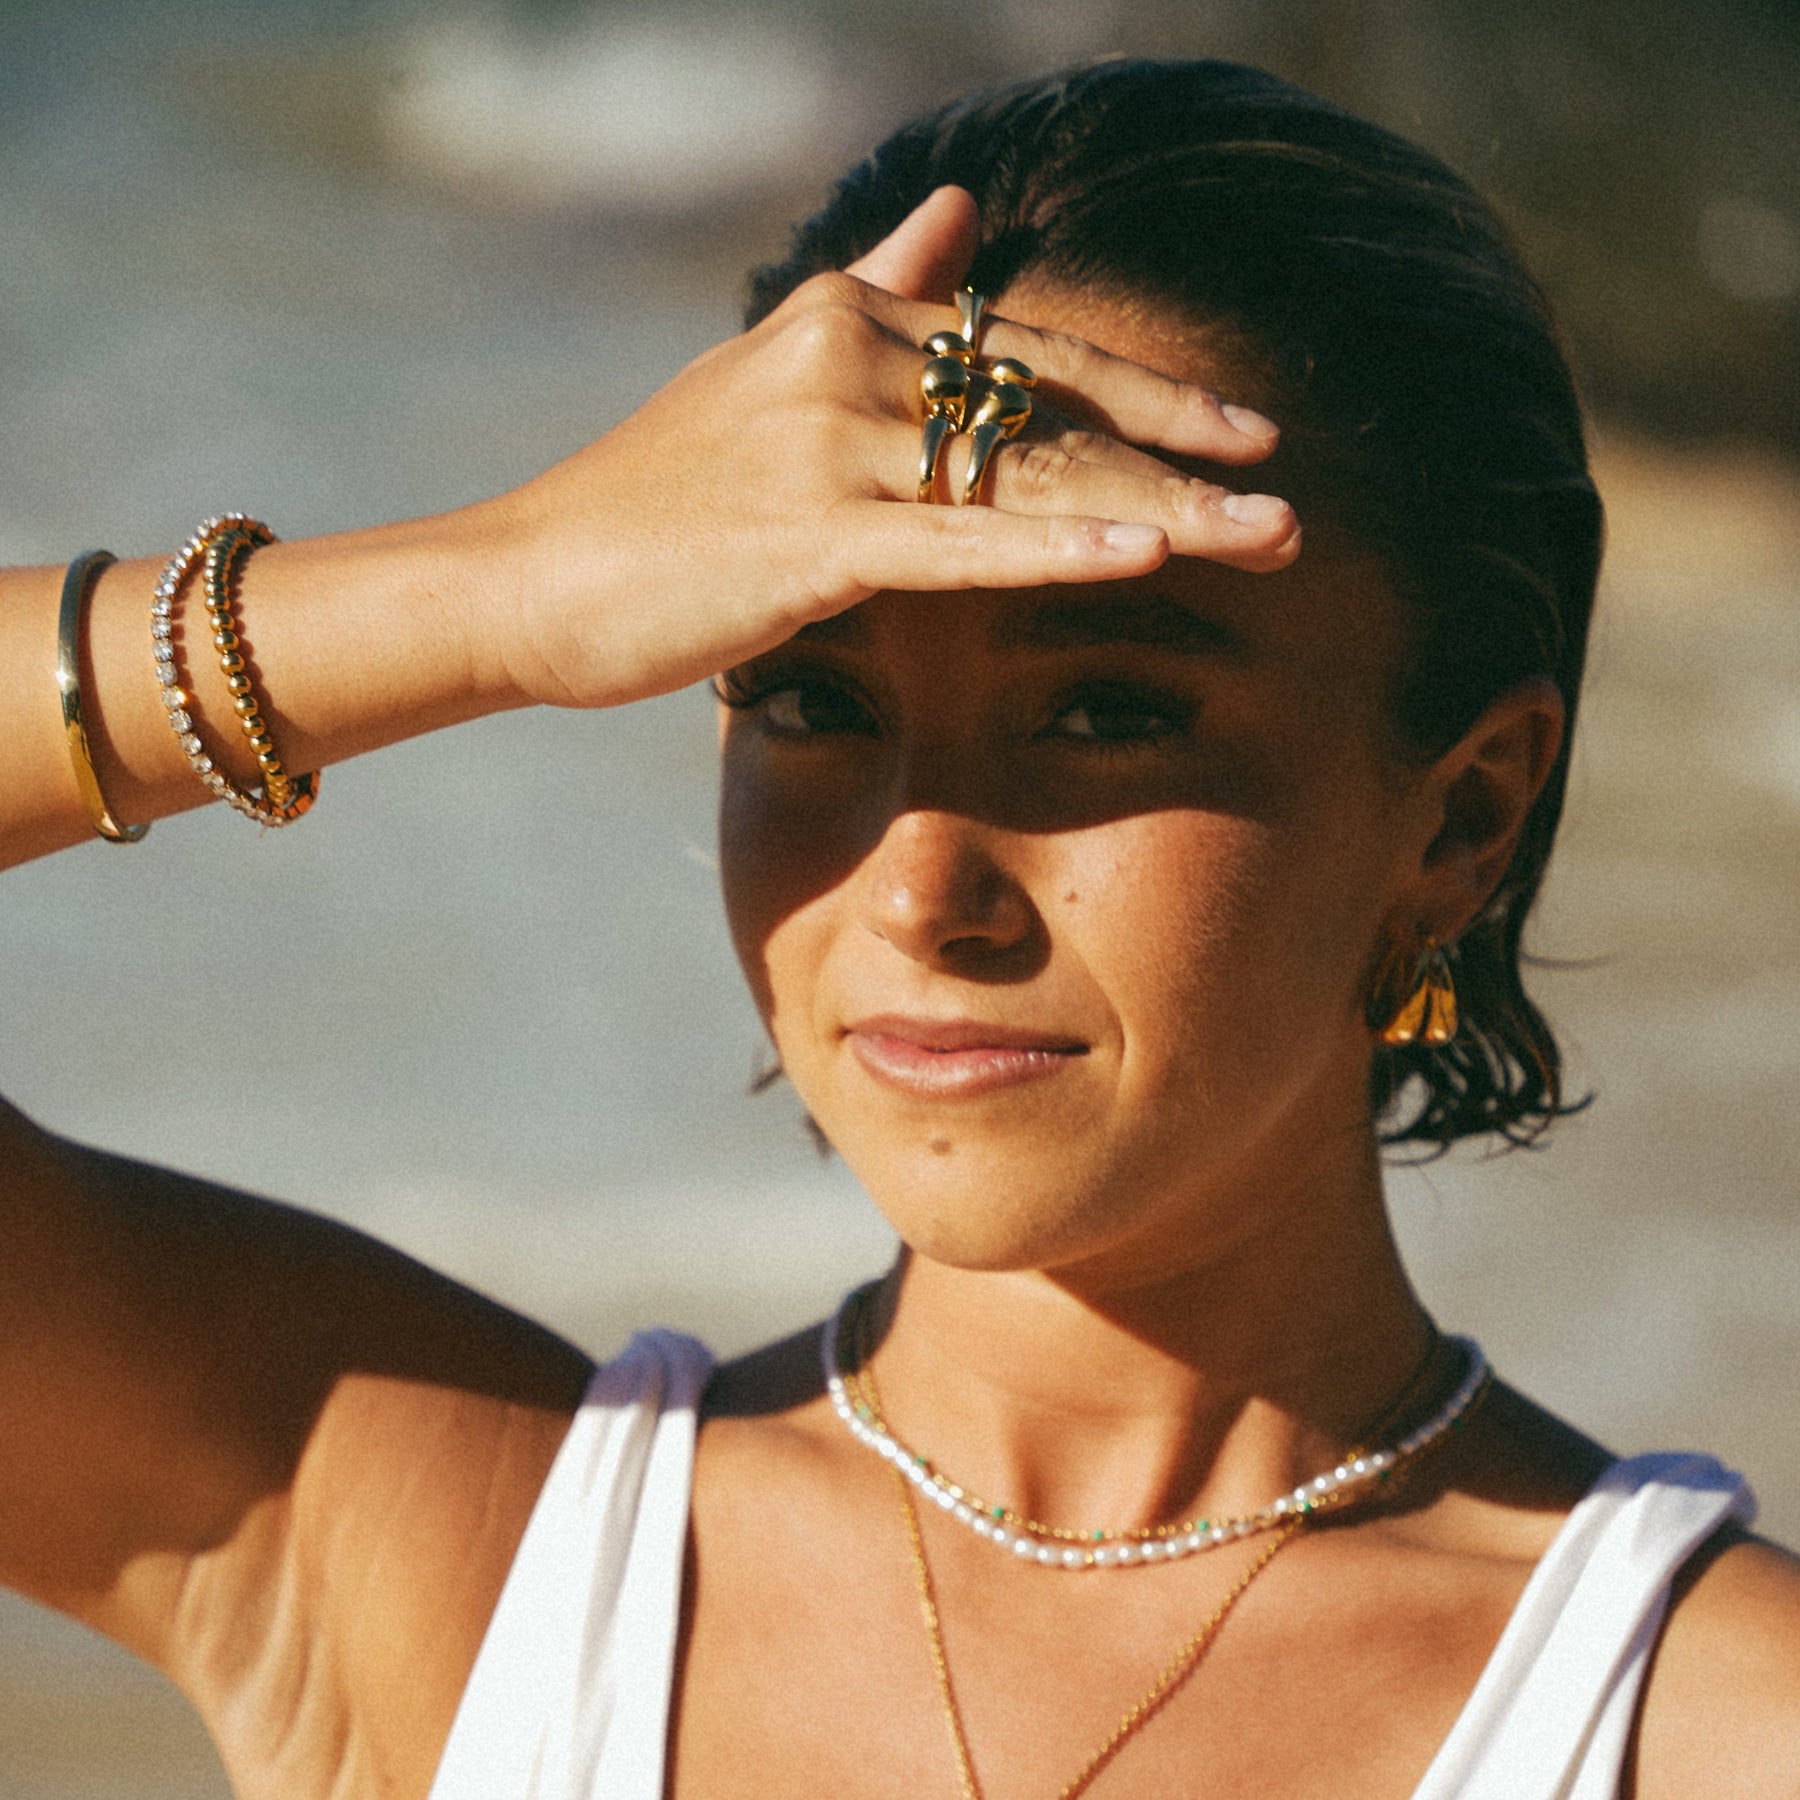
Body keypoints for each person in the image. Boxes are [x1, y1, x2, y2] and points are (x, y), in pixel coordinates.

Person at [2, 56, 1796, 1800]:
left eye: (1106, 711)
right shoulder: (433, 1553)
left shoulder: (1705, 1726)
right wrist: (508, 584)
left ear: (1463, 817)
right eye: (812, 700)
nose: (918, 886)